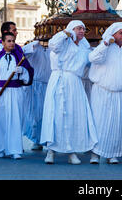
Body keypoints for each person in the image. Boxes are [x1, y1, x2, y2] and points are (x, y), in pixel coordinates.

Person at [40, 20, 97, 165]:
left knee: (74, 115)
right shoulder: (63, 42)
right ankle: (51, 151)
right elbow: (53, 45)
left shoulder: (84, 47)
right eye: (78, 28)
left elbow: (92, 59)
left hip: (75, 82)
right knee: (55, 114)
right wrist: (65, 33)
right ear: (71, 29)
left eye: (83, 29)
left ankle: (72, 151)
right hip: (59, 79)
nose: (82, 31)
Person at [0, 32, 34, 159]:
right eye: (9, 41)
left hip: (16, 93)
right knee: (0, 121)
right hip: (0, 94)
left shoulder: (19, 58)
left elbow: (27, 79)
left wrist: (23, 71)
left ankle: (14, 149)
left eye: (13, 41)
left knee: (15, 121)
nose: (12, 43)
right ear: (3, 43)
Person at [88, 22, 122, 164]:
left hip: (120, 93)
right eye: (120, 33)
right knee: (99, 122)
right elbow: (92, 58)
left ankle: (112, 154)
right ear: (113, 34)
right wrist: (105, 44)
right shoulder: (104, 48)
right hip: (101, 91)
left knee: (116, 123)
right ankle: (95, 154)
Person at [22, 40, 52, 151]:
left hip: (48, 84)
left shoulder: (53, 47)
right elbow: (22, 53)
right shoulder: (34, 46)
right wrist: (34, 45)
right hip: (35, 85)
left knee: (46, 115)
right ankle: (36, 139)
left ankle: (46, 140)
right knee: (34, 115)